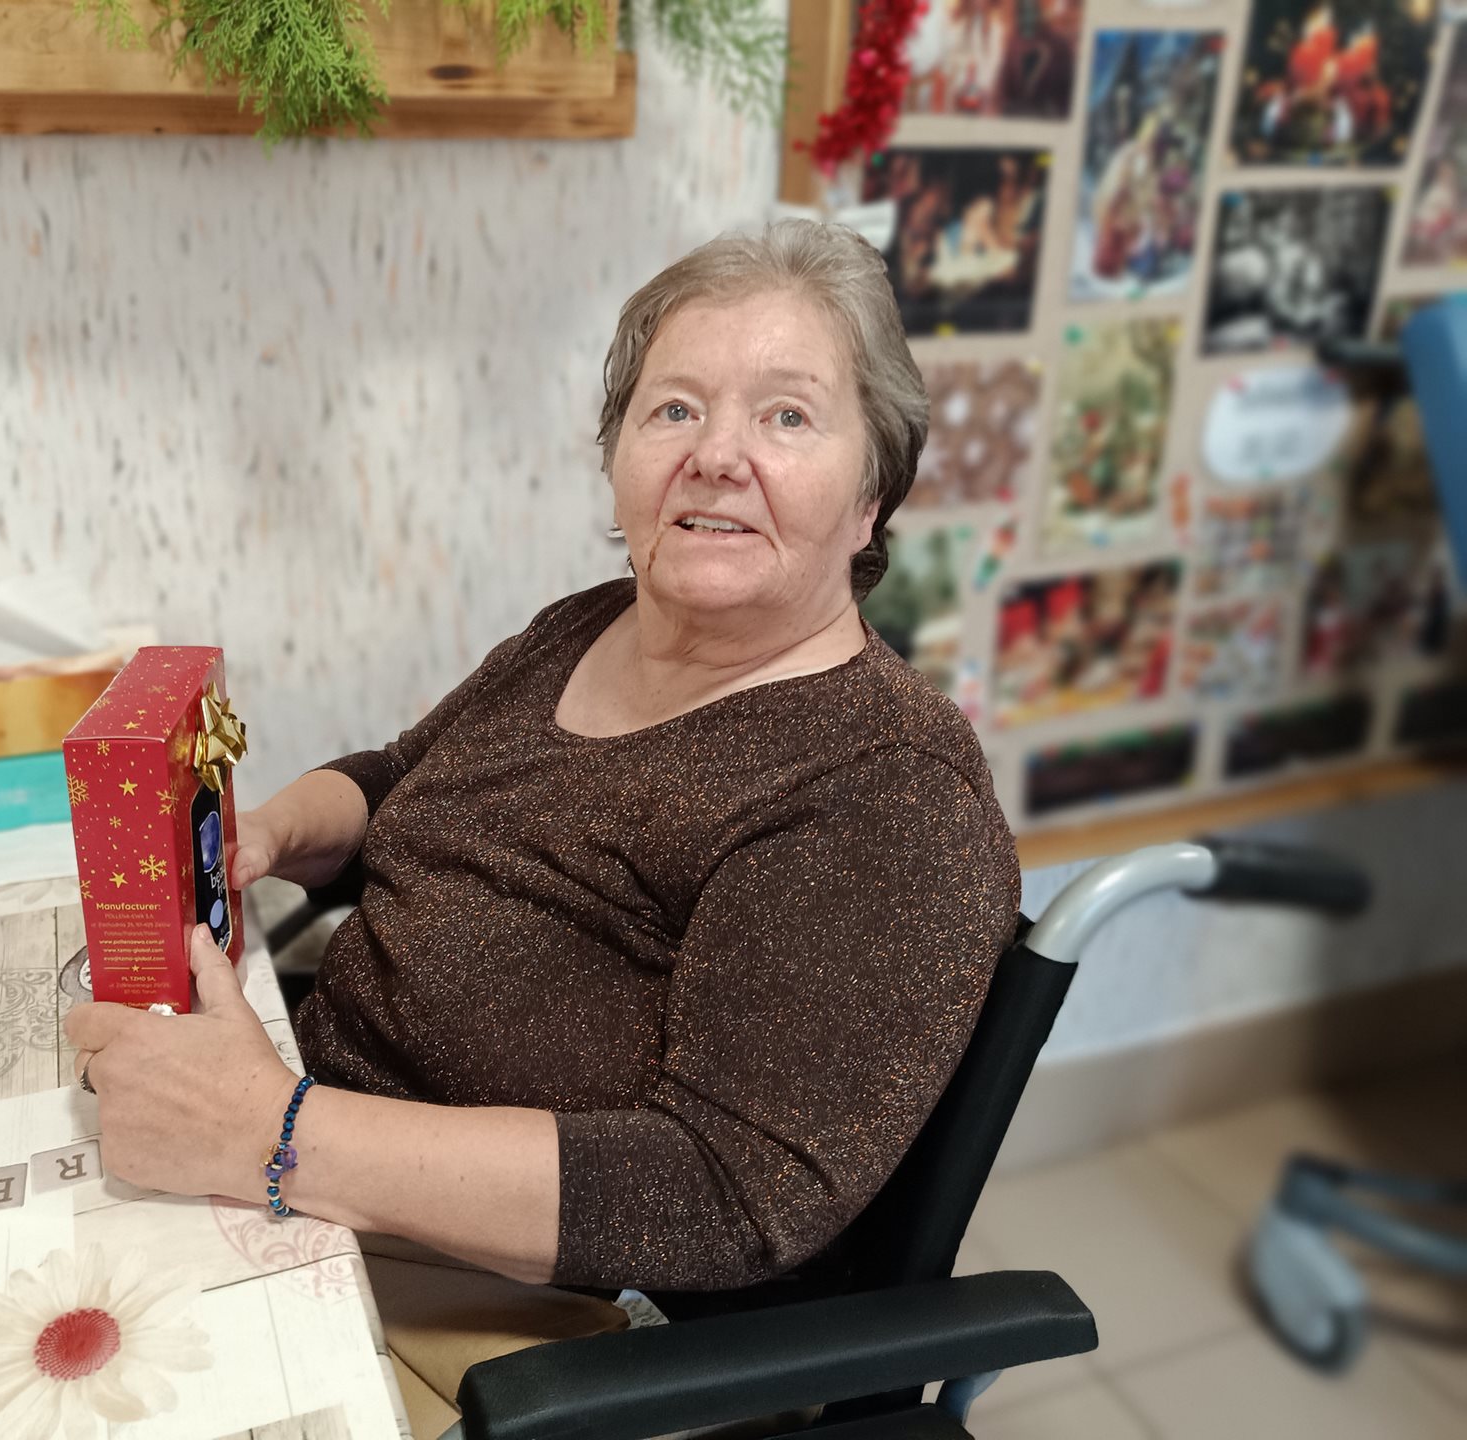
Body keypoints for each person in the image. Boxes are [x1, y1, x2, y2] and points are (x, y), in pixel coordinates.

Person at [66, 220, 1022, 1429]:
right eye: (674, 409)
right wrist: (264, 834)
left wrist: (271, 1131)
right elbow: (401, 779)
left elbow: (724, 1196)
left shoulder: (885, 790)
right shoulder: (587, 625)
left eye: (787, 416)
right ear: (619, 456)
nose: (716, 455)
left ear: (872, 496)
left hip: (531, 1319)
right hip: (313, 1157)